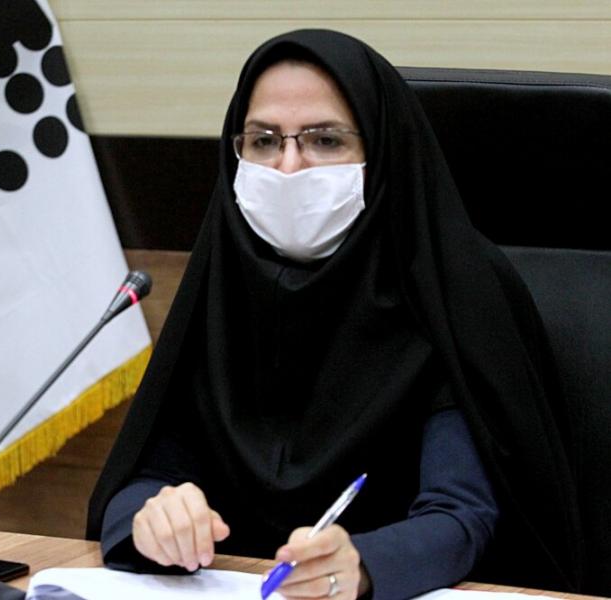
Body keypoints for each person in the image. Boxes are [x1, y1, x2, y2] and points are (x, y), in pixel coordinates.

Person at [87, 30, 582, 599]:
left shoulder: (453, 285)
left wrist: (364, 566)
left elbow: (463, 515)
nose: (288, 167)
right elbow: (144, 475)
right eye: (263, 141)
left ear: (382, 150)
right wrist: (152, 518)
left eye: (324, 141)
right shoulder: (223, 276)